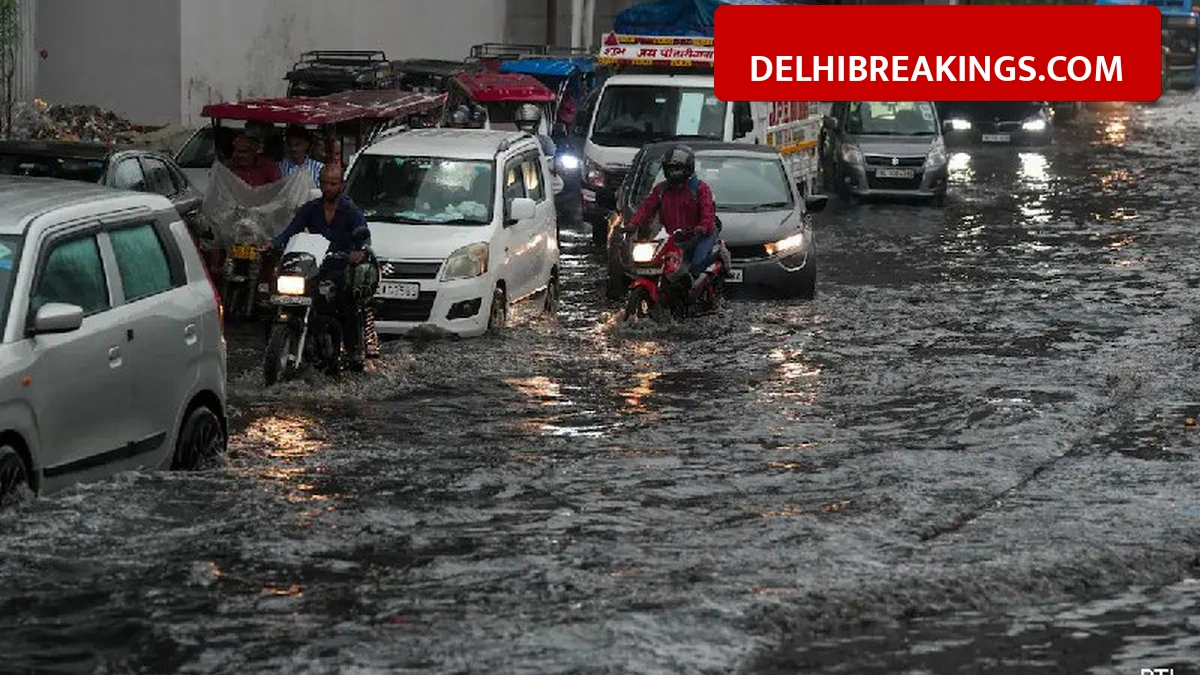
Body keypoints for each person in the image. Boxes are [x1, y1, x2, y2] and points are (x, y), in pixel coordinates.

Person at [268, 164, 373, 368]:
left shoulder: (350, 211)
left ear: (341, 185)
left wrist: (359, 251)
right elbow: (291, 231)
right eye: (324, 183)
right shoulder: (311, 208)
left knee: (346, 302)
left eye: (333, 183)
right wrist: (272, 243)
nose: (328, 188)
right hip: (314, 266)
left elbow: (363, 236)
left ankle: (353, 350)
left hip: (340, 266)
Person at [623, 144, 717, 282]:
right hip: (675, 236)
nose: (673, 173)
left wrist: (702, 227)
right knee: (659, 262)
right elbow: (645, 209)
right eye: (670, 169)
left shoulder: (700, 188)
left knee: (696, 265)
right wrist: (633, 224)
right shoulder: (660, 190)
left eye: (677, 169)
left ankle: (703, 292)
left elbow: (707, 211)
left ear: (687, 168)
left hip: (700, 235)